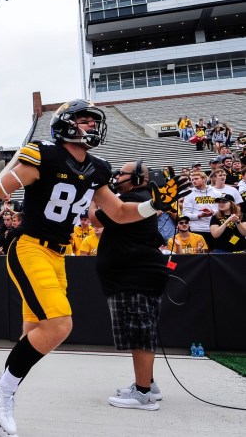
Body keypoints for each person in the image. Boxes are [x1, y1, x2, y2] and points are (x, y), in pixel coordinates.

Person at [0, 99, 188, 437]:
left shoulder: (98, 168)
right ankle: (1, 393)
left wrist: (153, 205)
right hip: (28, 248)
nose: (92, 126)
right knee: (59, 325)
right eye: (84, 120)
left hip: (58, 257)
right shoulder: (44, 155)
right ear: (67, 123)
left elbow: (120, 213)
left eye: (94, 121)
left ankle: (0, 401)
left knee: (32, 336)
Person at [88, 160, 168, 411]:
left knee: (139, 332)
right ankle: (148, 384)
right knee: (143, 331)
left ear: (135, 177)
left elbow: (95, 220)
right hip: (136, 276)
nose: (116, 177)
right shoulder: (140, 198)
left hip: (135, 277)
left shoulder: (134, 199)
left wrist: (93, 195)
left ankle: (143, 394)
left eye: (121, 173)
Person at [182, 171, 218, 248]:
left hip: (214, 229)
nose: (194, 181)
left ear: (204, 179)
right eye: (192, 180)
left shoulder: (216, 192)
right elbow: (185, 214)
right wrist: (199, 215)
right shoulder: (189, 194)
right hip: (197, 229)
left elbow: (223, 210)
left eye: (196, 179)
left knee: (215, 254)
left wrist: (213, 212)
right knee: (198, 254)